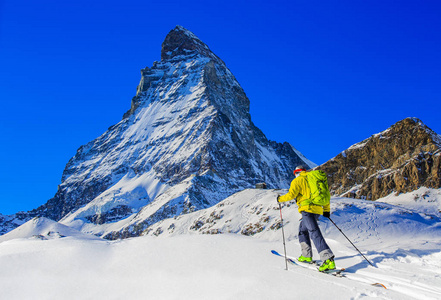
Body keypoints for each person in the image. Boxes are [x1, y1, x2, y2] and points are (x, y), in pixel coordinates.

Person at [277, 165, 336, 272]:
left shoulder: (298, 180)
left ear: (296, 172)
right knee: (302, 230)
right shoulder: (314, 179)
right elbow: (325, 195)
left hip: (307, 209)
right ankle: (306, 255)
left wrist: (280, 199)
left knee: (313, 231)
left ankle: (328, 259)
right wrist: (326, 210)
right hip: (317, 209)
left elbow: (291, 195)